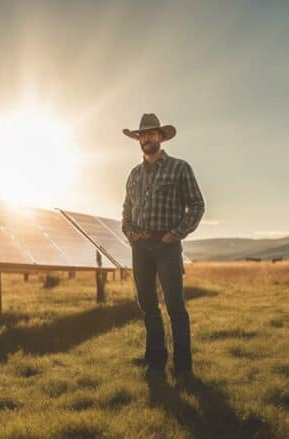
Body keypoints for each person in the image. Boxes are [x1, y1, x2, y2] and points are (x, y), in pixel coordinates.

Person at [121, 113, 205, 380]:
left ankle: (183, 368)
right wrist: (130, 232)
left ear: (161, 137)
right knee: (147, 305)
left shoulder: (180, 168)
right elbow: (126, 209)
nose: (146, 138)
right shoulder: (134, 174)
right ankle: (155, 361)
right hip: (140, 246)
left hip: (167, 246)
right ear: (139, 139)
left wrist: (176, 234)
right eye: (142, 134)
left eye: (151, 133)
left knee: (175, 307)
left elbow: (197, 205)